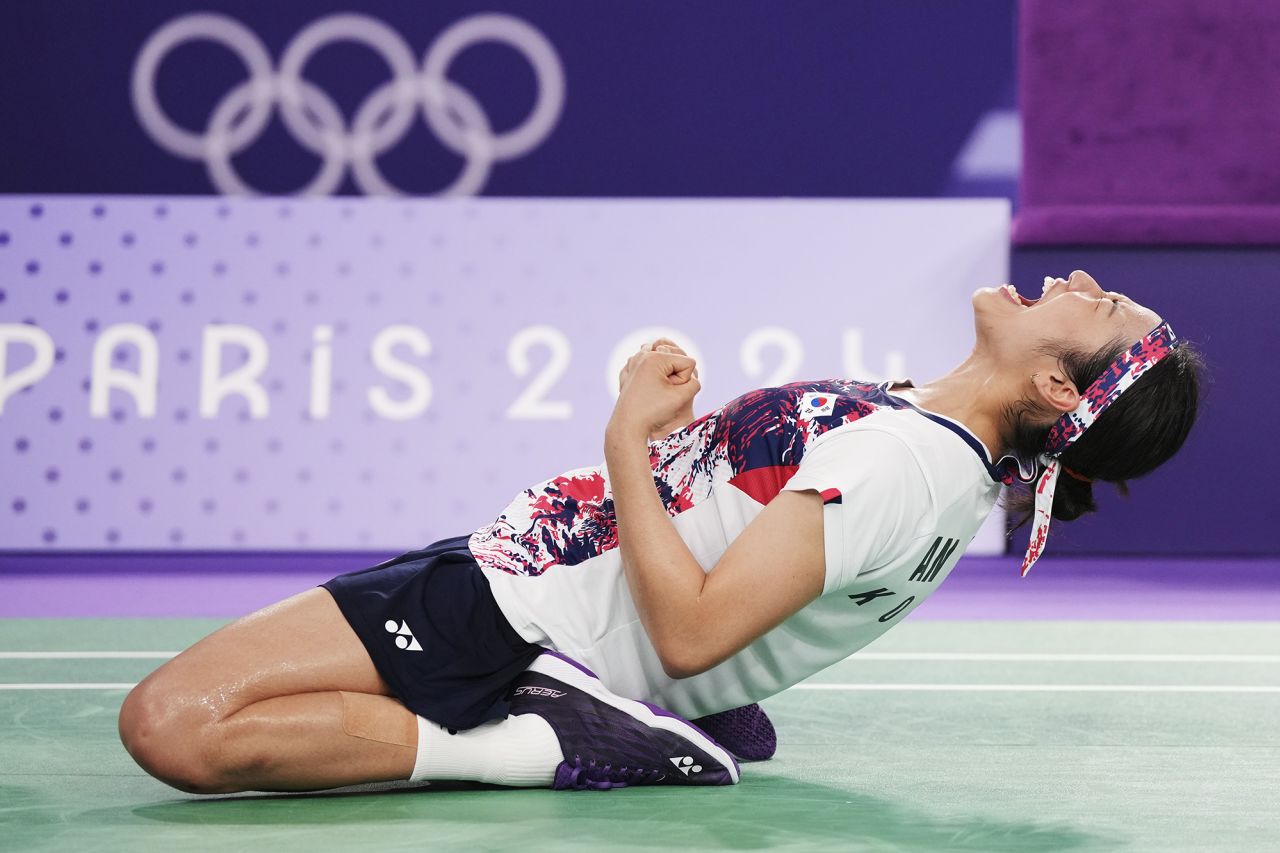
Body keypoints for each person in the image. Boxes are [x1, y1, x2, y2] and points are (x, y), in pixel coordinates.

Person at [117, 269, 1203, 794]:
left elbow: (690, 632)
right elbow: (754, 577)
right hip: (529, 593)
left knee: (173, 723)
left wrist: (628, 438)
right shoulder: (939, 457)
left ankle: (553, 741)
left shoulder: (901, 464)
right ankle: (604, 719)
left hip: (521, 613)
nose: (1074, 278)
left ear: (1058, 386)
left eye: (1098, 304)